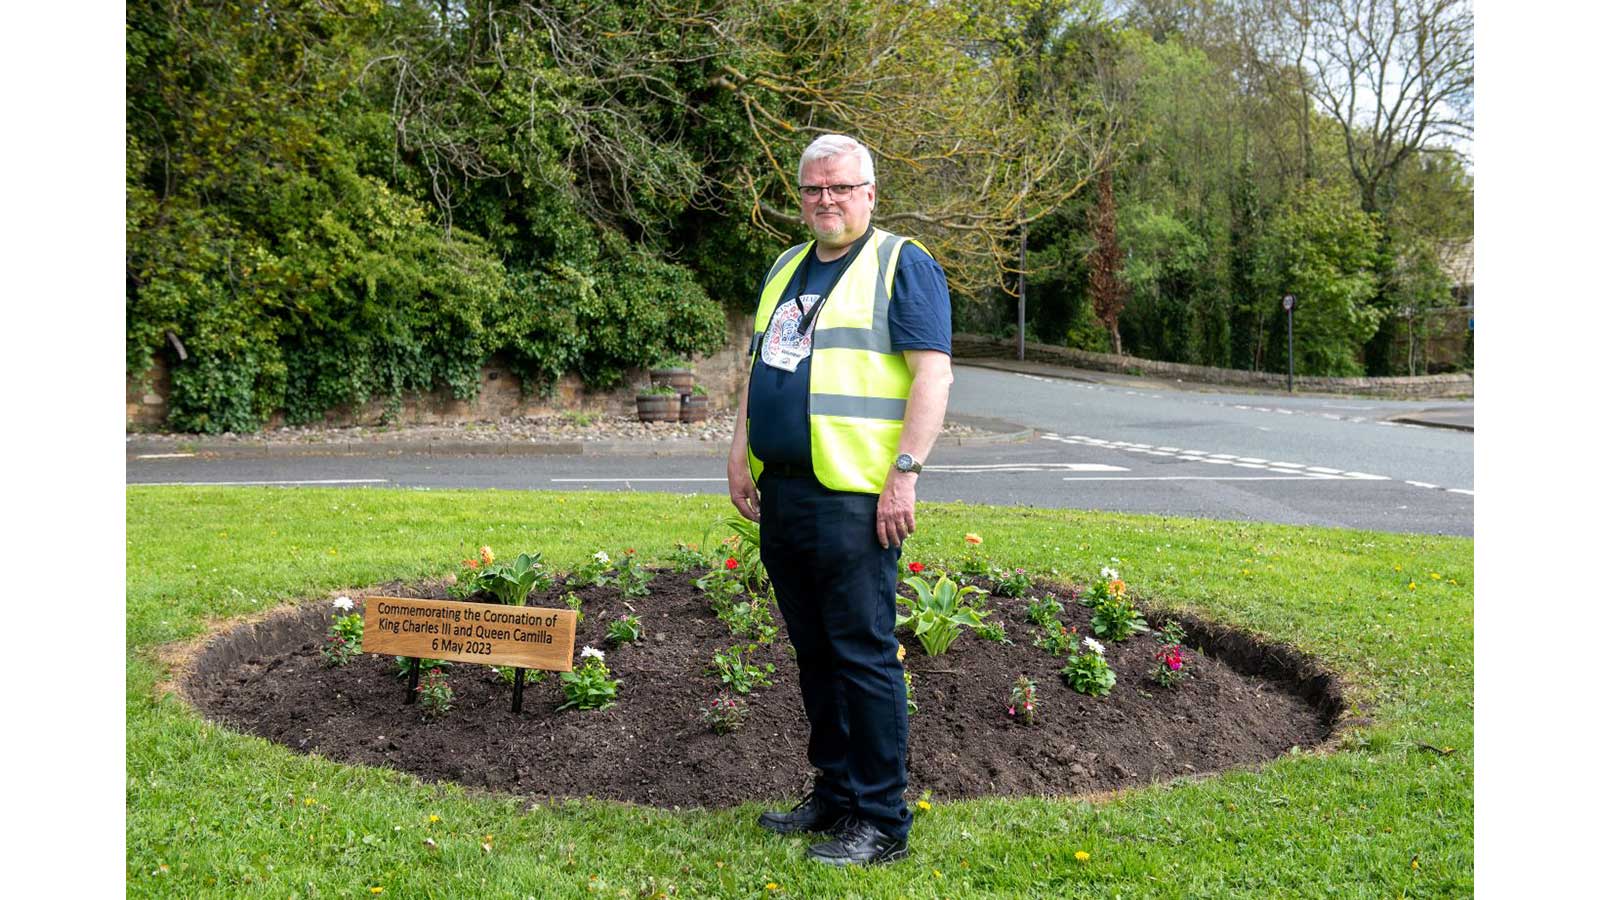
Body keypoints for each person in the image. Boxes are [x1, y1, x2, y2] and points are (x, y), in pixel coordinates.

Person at [726, 134, 954, 866]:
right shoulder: (786, 267)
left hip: (858, 498)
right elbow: (763, 367)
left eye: (840, 187)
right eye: (813, 189)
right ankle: (835, 792)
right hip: (787, 491)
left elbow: (933, 377)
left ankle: (881, 818)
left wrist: (906, 473)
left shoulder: (901, 264)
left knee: (863, 656)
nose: (826, 200)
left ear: (870, 192)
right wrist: (740, 453)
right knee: (814, 654)